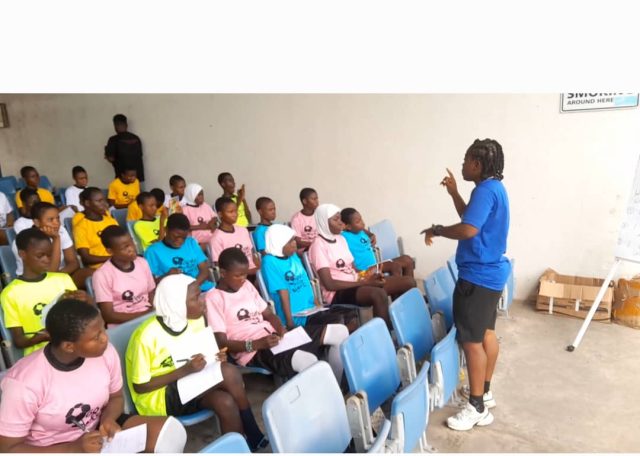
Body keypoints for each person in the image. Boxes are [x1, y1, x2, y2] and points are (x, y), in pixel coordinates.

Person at [0, 298, 185, 453]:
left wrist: (108, 420)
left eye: (103, 329)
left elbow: (116, 397)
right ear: (68, 346)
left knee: (171, 434)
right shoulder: (24, 382)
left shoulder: (105, 352)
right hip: (55, 447)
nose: (105, 338)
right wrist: (73, 448)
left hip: (98, 430)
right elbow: (8, 448)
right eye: (96, 336)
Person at [420, 138, 510, 431]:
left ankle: (476, 407)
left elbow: (469, 229)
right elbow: (471, 218)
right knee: (486, 334)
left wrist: (438, 230)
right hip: (491, 274)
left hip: (477, 277)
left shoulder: (484, 191)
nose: (462, 164)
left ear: (477, 164)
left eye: (466, 160)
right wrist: (454, 193)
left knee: (471, 342)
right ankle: (485, 393)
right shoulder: (493, 188)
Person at [126, 274, 267, 451]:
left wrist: (215, 358)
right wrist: (185, 370)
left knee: (225, 402)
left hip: (189, 380)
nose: (202, 301)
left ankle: (238, 449)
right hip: (159, 397)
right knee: (228, 372)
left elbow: (201, 354)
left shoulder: (196, 320)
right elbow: (141, 386)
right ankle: (252, 431)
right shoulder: (145, 337)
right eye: (196, 298)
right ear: (176, 303)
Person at [206, 248, 332, 381]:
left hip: (273, 338)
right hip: (253, 351)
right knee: (307, 360)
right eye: (238, 276)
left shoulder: (247, 285)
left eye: (245, 274)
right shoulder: (213, 298)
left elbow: (268, 314)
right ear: (223, 273)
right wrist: (256, 344)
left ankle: (340, 385)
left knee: (336, 332)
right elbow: (221, 342)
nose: (243, 279)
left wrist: (280, 329)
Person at [309, 204, 415, 326]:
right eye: (335, 219)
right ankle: (385, 332)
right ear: (323, 222)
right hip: (338, 292)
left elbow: (353, 268)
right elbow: (329, 284)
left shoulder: (340, 239)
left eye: (340, 219)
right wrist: (364, 282)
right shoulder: (318, 246)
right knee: (378, 294)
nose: (340, 223)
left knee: (408, 282)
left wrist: (368, 276)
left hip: (356, 281)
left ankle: (404, 321)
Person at [262, 224, 356, 359]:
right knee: (337, 320)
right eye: (290, 241)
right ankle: (335, 357)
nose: (295, 244)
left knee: (349, 314)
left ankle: (342, 354)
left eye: (294, 240)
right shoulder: (269, 262)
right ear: (278, 243)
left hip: (311, 309)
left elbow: (306, 282)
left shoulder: (293, 257)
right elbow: (283, 293)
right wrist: (290, 323)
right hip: (297, 315)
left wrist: (317, 303)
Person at [0, 228, 85, 356]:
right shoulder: (11, 293)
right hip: (41, 354)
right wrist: (41, 337)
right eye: (40, 256)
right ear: (22, 254)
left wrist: (86, 300)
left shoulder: (63, 279)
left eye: (49, 255)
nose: (47, 259)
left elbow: (82, 317)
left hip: (74, 347)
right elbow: (19, 341)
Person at [12, 202, 91, 290]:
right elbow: (49, 273)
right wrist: (56, 239)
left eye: (58, 218)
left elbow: (73, 263)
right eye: (51, 219)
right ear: (37, 222)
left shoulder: (61, 230)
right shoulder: (25, 241)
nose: (56, 223)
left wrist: (59, 275)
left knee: (92, 275)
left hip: (61, 274)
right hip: (36, 282)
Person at [93, 226, 155, 328]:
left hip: (148, 315)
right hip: (123, 325)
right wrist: (143, 316)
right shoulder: (102, 275)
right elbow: (108, 315)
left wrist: (153, 310)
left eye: (132, 242)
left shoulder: (142, 263)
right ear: (110, 251)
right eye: (124, 247)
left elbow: (151, 292)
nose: (132, 248)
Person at [144, 213, 214, 292]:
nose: (180, 241)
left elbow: (204, 270)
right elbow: (151, 285)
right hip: (175, 293)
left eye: (184, 238)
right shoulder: (152, 251)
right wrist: (167, 275)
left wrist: (192, 287)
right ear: (166, 230)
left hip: (201, 287)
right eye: (176, 236)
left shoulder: (191, 242)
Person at [341, 207, 415, 277]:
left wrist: (371, 234)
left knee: (407, 260)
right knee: (394, 266)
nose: (362, 223)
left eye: (361, 219)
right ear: (348, 226)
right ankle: (399, 284)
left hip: (375, 265)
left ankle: (409, 285)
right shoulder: (344, 237)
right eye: (358, 222)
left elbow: (362, 228)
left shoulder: (360, 230)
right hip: (365, 270)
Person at [210, 197, 258, 278]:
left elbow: (252, 255)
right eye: (230, 212)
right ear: (220, 214)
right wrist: (250, 272)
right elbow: (221, 266)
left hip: (254, 272)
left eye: (236, 211)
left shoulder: (243, 230)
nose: (235, 214)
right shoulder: (216, 238)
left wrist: (259, 270)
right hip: (238, 277)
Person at [73, 187, 119, 269]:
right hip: (100, 267)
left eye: (104, 200)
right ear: (87, 203)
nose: (105, 204)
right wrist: (113, 258)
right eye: (99, 201)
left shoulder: (111, 221)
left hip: (118, 263)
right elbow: (86, 258)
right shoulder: (81, 227)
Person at [104, 114, 145, 182]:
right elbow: (140, 155)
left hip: (123, 178)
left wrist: (107, 155)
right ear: (126, 125)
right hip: (137, 177)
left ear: (115, 126)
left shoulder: (113, 139)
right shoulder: (136, 138)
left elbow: (111, 158)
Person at [290, 187, 319, 252]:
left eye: (317, 198)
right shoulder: (296, 219)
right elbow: (297, 240)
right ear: (304, 201)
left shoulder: (319, 215)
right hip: (305, 251)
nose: (317, 201)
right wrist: (315, 244)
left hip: (320, 248)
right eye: (313, 199)